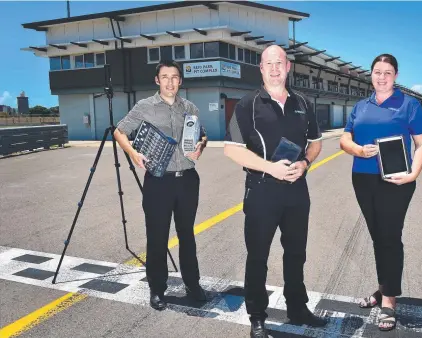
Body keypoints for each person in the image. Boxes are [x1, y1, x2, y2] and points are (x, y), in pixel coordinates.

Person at [223, 45, 328, 338]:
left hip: (297, 191)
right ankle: (257, 316)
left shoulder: (304, 103)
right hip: (261, 191)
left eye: (279, 62)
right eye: (268, 63)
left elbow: (316, 142)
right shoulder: (246, 105)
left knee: (296, 254)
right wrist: (270, 168)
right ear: (260, 68)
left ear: (288, 66)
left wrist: (305, 163)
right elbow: (232, 150)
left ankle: (298, 308)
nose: (274, 68)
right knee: (257, 256)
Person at [339, 53, 422, 331]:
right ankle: (383, 288)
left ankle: (388, 301)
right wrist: (356, 149)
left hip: (396, 181)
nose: (381, 77)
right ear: (371, 74)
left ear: (396, 76)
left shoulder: (409, 105)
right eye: (377, 72)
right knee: (379, 237)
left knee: (390, 237)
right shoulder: (361, 106)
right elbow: (345, 138)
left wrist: (413, 173)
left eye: (387, 72)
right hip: (363, 179)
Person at [114, 60, 208, 311]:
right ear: (157, 80)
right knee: (157, 237)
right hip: (158, 182)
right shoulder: (144, 107)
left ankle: (193, 284)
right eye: (164, 77)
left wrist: (201, 145)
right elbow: (120, 131)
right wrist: (133, 153)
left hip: (187, 181)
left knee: (187, 236)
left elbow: (202, 134)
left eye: (174, 77)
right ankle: (157, 289)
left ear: (181, 81)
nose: (170, 82)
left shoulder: (190, 108)